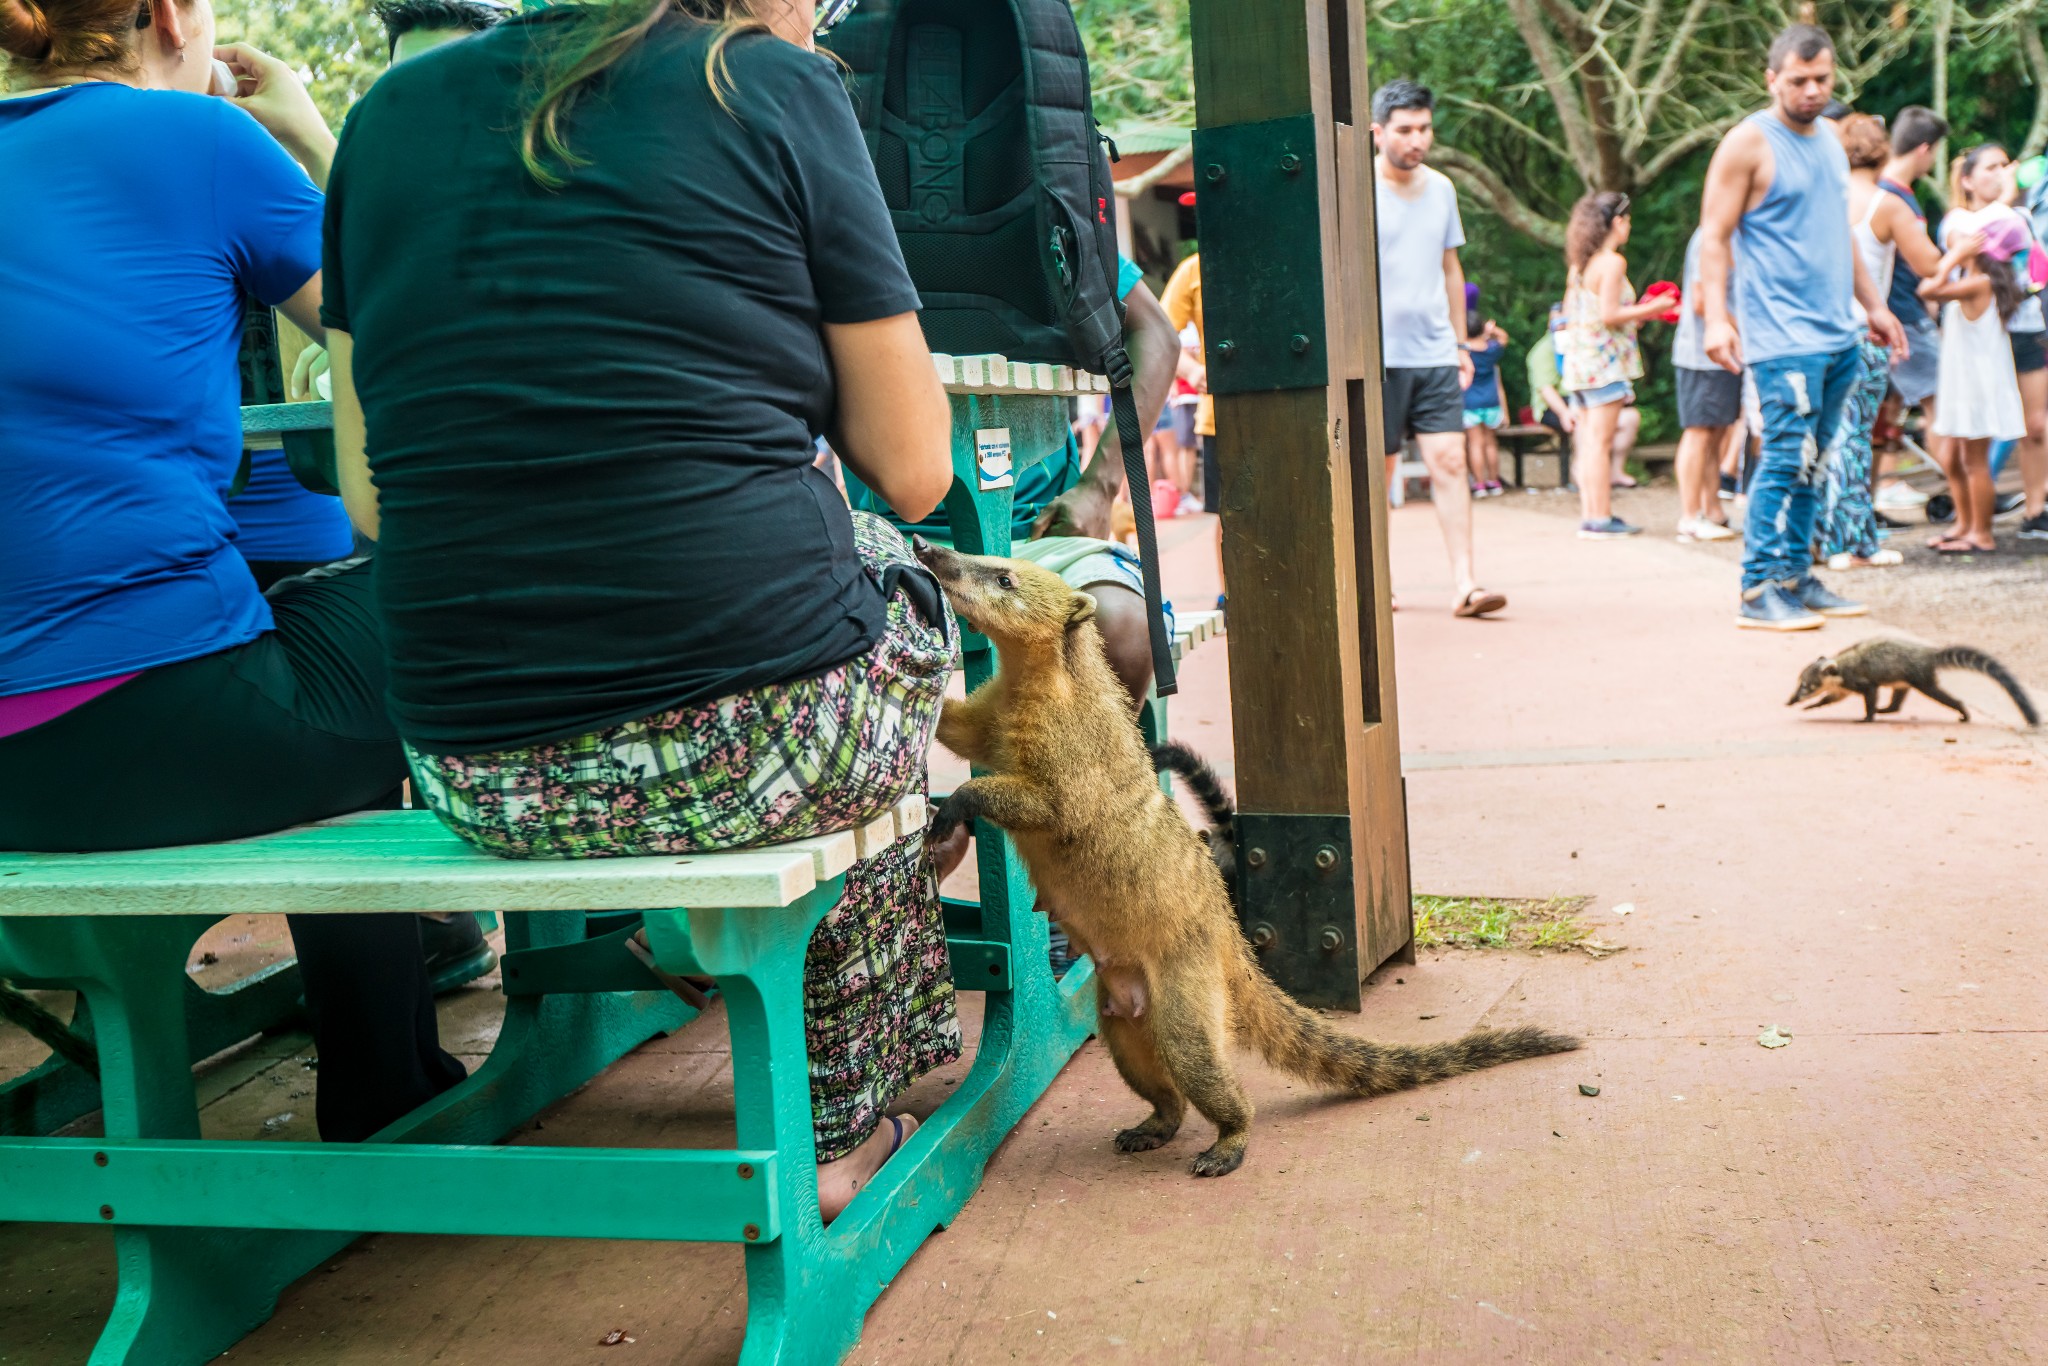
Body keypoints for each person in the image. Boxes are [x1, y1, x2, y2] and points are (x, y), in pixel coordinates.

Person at [320, 0, 979, 1220]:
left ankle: (669, 939)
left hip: (478, 772)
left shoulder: (382, 116)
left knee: (807, 613)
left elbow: (367, 495)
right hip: (751, 758)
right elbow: (916, 465)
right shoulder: (767, 88)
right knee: (886, 591)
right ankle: (838, 1120)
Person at [0, 0, 475, 1143]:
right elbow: (426, 329)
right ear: (171, 16)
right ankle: (386, 1079)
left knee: (306, 651)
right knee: (421, 607)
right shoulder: (208, 145)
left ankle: (392, 1033)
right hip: (138, 736)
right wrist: (316, 140)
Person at [1697, 23, 1904, 631]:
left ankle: (1796, 576)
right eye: (1799, 81)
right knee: (1786, 458)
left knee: (1816, 461)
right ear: (1772, 79)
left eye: (1822, 80)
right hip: (1782, 336)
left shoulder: (1831, 144)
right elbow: (1714, 234)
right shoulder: (1747, 144)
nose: (1812, 91)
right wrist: (1716, 319)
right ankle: (1758, 589)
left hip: (1838, 332)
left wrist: (1874, 306)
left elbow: (1837, 233)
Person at [1370, 78, 1504, 618]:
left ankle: (1466, 582)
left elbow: (1451, 268)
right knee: (1377, 473)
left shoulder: (1443, 189)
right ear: (1378, 132)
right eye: (1405, 130)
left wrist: (1458, 343)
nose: (1416, 140)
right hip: (1375, 357)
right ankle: (1380, 582)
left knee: (1450, 461)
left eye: (1424, 128)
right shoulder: (1355, 189)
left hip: (1433, 352)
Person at [1813, 113, 1904, 569]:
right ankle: (1840, 542)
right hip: (1864, 332)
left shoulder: (1826, 195)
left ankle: (1848, 537)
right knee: (1854, 439)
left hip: (1823, 329)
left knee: (1830, 435)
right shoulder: (1885, 203)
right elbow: (1926, 263)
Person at [1945, 143, 2048, 541]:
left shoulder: (2017, 215)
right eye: (1991, 167)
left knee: (2036, 425)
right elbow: (1969, 241)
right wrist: (2006, 198)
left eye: (2005, 165)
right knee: (1978, 432)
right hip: (1983, 337)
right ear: (1968, 180)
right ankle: (1971, 521)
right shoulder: (1959, 219)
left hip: (2025, 327)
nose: (2002, 172)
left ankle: (2035, 510)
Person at [1559, 191, 1667, 538]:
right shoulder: (1612, 262)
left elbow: (1575, 313)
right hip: (1605, 365)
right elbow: (1610, 315)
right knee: (1600, 444)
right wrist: (1654, 308)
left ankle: (1592, 515)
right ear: (1617, 222)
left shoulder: (1580, 264)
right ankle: (1601, 517)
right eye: (1628, 219)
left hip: (1580, 364)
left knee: (1590, 442)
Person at [1921, 208, 2029, 553]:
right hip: (1967, 381)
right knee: (1963, 458)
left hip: (1976, 385)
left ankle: (1981, 532)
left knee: (1975, 460)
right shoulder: (1981, 282)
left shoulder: (1978, 284)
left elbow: (1928, 288)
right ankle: (1965, 525)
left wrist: (1954, 255)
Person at [1872, 107, 1952, 492]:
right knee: (1939, 408)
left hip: (1894, 315)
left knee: (1883, 413)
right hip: (1902, 315)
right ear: (1924, 149)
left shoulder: (1885, 191)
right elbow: (1927, 266)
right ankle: (1958, 496)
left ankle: (1873, 502)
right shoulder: (1891, 197)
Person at [1161, 250, 1226, 611]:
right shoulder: (1194, 268)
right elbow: (1161, 331)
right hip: (1219, 414)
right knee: (1227, 513)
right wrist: (1193, 372)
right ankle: (1229, 592)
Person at [1671, 228, 1741, 542]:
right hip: (1700, 353)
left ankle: (1713, 510)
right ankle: (1689, 516)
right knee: (1698, 431)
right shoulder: (1709, 238)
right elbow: (1701, 300)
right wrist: (1746, 331)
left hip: (1723, 355)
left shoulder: (1734, 235)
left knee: (1715, 432)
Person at [1460, 312, 1508, 497]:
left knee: (1475, 444)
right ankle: (1494, 482)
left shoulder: (1463, 350)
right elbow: (1504, 337)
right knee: (1490, 443)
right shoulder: (1491, 349)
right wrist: (1492, 331)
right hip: (1491, 401)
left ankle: (1479, 484)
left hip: (1470, 402)